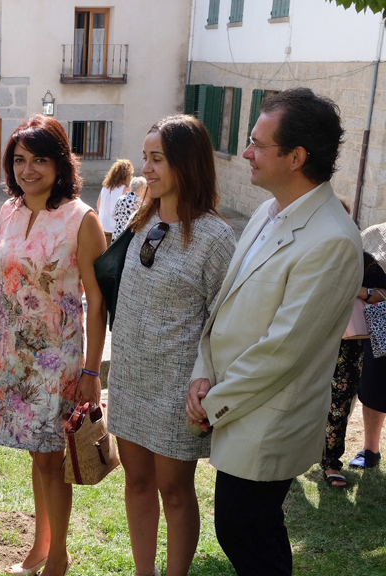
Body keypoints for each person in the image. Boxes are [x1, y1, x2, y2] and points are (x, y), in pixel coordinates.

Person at [185, 87, 362, 576]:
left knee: (247, 531)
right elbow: (227, 304)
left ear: (297, 157)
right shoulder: (269, 211)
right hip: (238, 401)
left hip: (268, 418)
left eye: (258, 144)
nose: (246, 153)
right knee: (245, 530)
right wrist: (203, 373)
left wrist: (213, 402)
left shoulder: (332, 240)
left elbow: (283, 350)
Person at [107, 115, 236, 576]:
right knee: (136, 481)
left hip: (177, 386)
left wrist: (205, 381)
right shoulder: (139, 218)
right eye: (146, 157)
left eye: (157, 158)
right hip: (128, 377)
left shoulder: (216, 237)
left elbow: (226, 322)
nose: (147, 168)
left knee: (176, 491)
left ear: (187, 161)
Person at [0, 115, 106, 576]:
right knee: (40, 457)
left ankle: (58, 557)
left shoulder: (82, 219)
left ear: (59, 163)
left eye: (39, 159)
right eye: (19, 159)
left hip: (59, 360)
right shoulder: (7, 211)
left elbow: (97, 303)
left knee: (53, 459)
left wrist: (92, 371)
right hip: (12, 354)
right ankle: (40, 547)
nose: (27, 169)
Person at [321, 250, 386, 487]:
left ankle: (331, 463)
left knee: (339, 400)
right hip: (308, 335)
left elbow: (384, 294)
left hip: (348, 342)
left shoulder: (361, 258)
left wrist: (360, 292)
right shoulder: (303, 249)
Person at [347, 222, 386, 472]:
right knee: (373, 389)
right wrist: (365, 291)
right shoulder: (375, 234)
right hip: (381, 326)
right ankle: (371, 450)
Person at [96, 158, 133, 244]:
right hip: (115, 229)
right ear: (127, 175)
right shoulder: (126, 189)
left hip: (101, 227)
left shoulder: (105, 188)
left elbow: (98, 205)